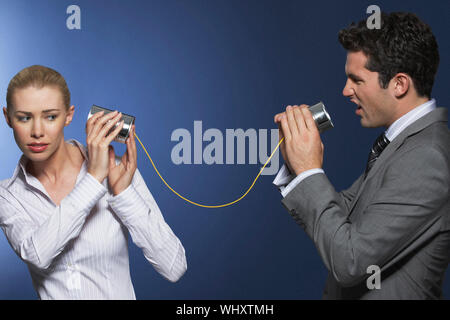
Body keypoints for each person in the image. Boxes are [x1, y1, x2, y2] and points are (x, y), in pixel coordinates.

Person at [273, 12, 449, 299]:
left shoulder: (428, 157)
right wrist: (296, 163)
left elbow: (350, 260)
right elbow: (345, 219)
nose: (345, 91)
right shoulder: (401, 144)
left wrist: (308, 171)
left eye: (356, 80)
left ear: (399, 84)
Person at [0, 65, 187, 299]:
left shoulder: (117, 172)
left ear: (68, 115)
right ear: (8, 118)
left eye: (50, 116)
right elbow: (37, 254)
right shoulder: (7, 195)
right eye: (25, 117)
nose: (37, 131)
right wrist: (93, 180)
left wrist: (124, 195)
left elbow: (174, 266)